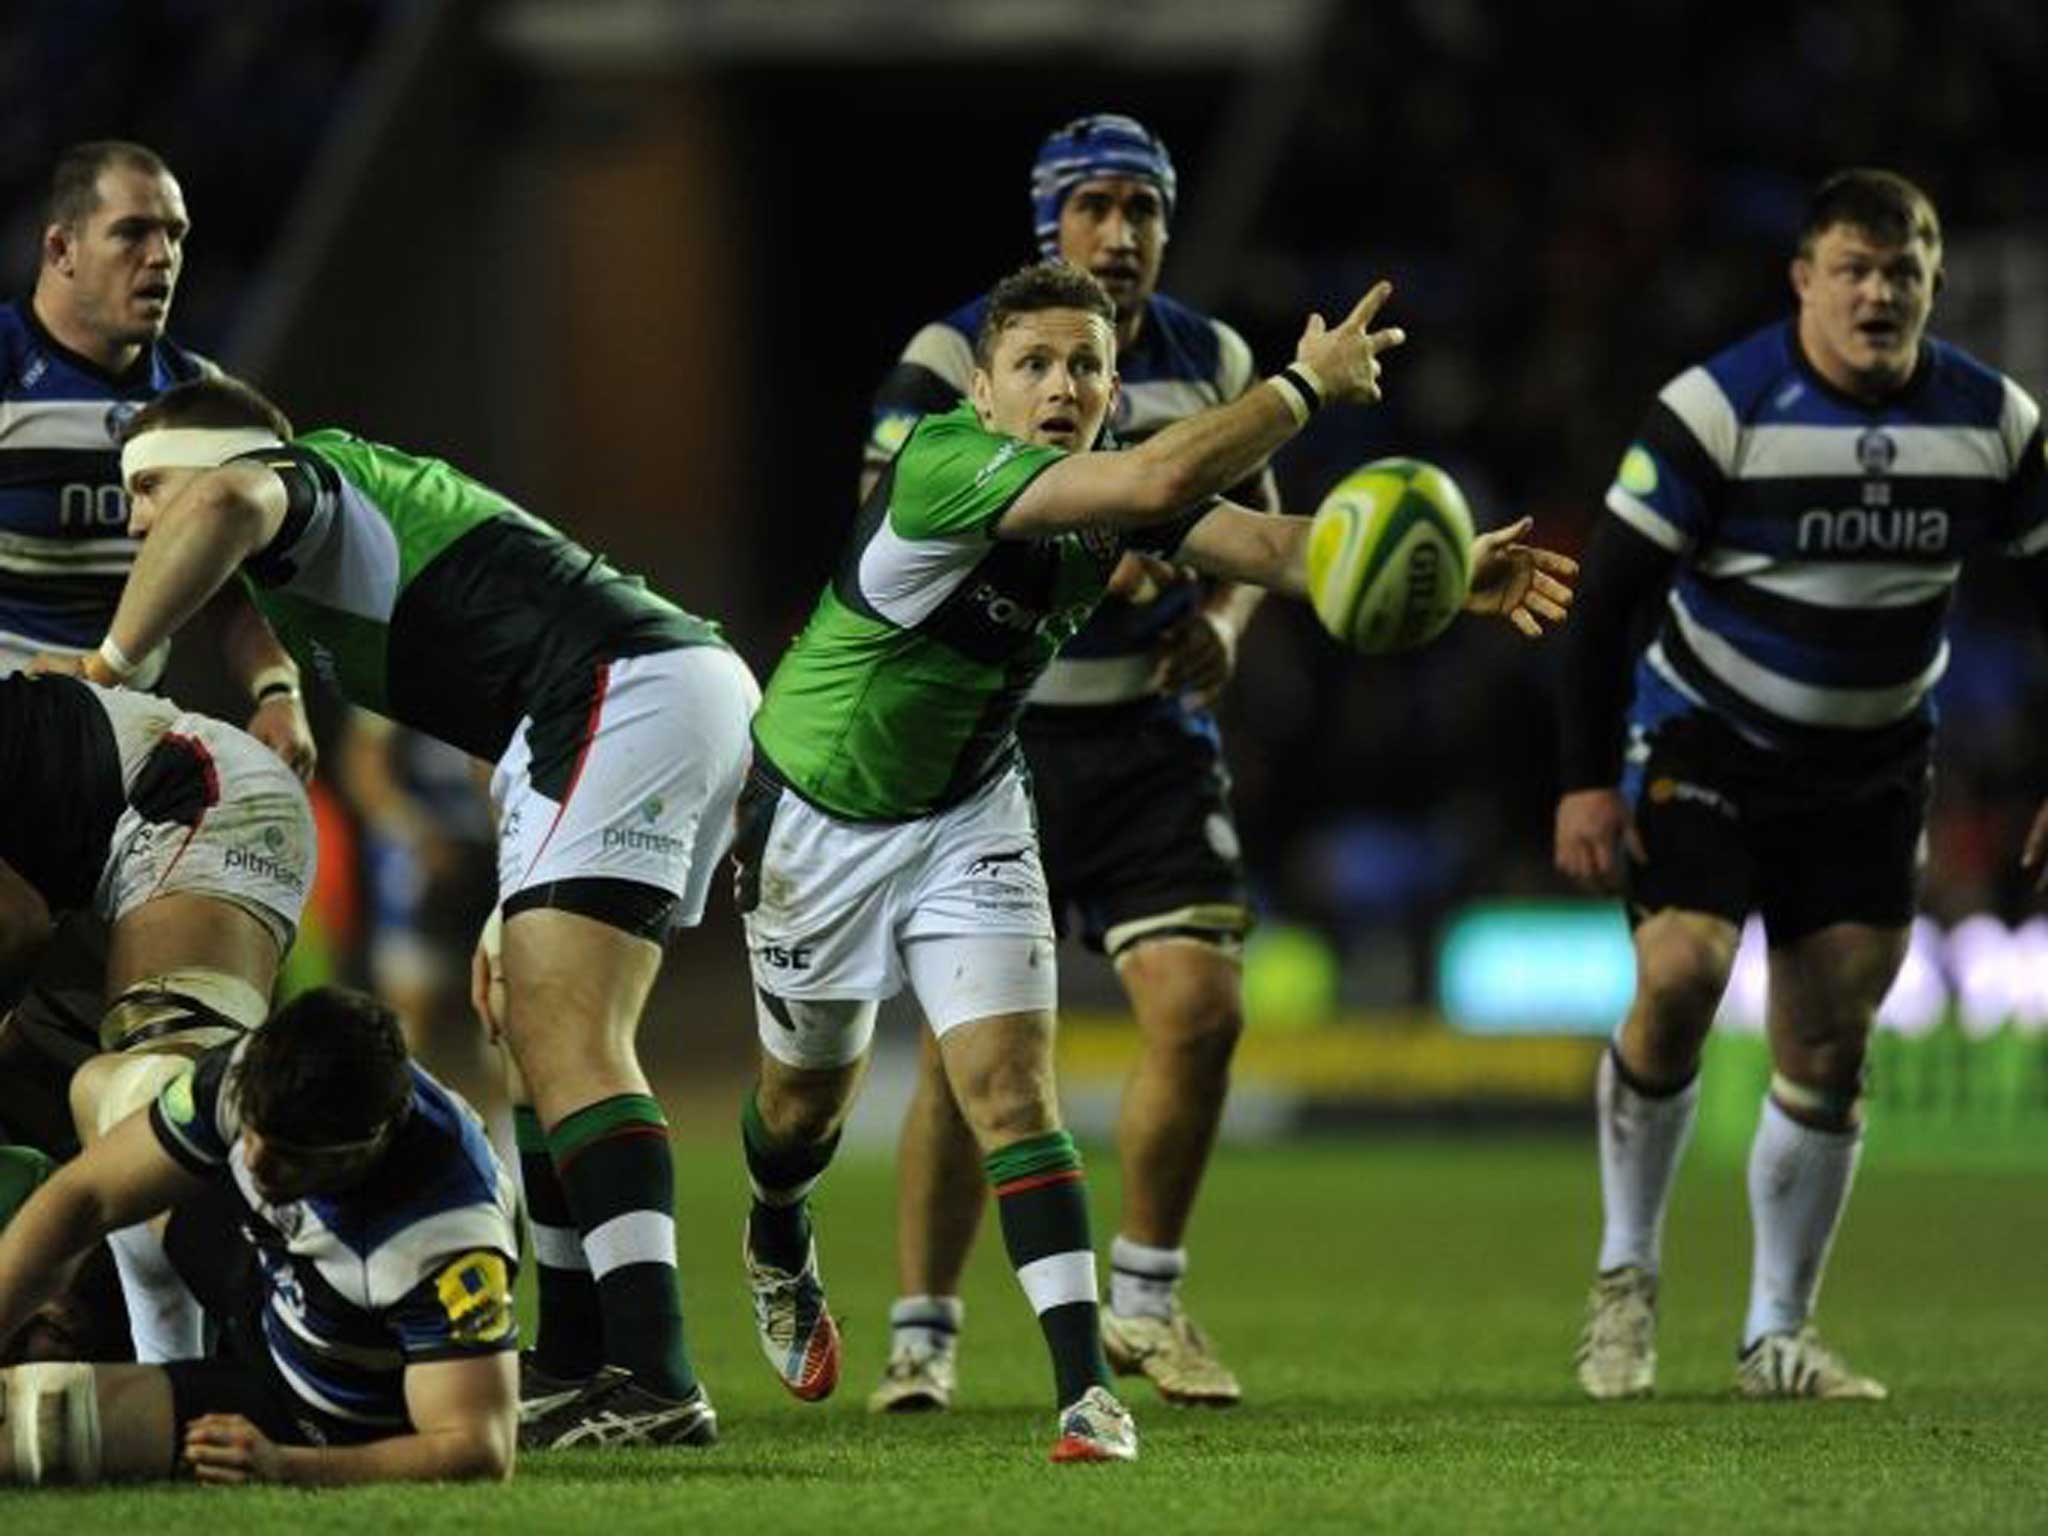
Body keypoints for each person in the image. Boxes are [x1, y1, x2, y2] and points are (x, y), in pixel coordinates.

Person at [735, 259, 1571, 1463]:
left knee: (1012, 1089)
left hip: (969, 810)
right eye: (1032, 364)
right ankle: (774, 1229)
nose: (1060, 384)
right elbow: (1169, 470)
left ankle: (1084, 1393)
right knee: (800, 1105)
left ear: (1113, 384)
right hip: (820, 814)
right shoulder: (944, 466)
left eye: (1084, 364)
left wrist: (1436, 576)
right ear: (982, 392)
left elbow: (1277, 546)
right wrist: (1302, 385)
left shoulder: (1120, 492)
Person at [32, 375, 759, 1448]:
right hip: (602, 707)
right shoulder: (317, 561)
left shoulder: (287, 478)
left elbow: (221, 506)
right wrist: (509, 897)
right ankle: (573, 1359)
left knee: (573, 1036)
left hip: (617, 692)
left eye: (146, 487)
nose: (140, 518)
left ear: (218, 456)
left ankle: (653, 1373)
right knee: (534, 1029)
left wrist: (108, 666)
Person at [1554, 169, 2046, 1401]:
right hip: (1705, 739)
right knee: (1678, 975)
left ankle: (1775, 1334)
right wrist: (1582, 784)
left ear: (1932, 283)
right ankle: (1623, 1279)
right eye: (1852, 270)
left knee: (1828, 1038)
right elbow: (1603, 600)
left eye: (1901, 272)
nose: (1877, 294)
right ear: (1803, 282)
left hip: (1871, 766)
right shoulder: (1716, 410)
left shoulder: (1993, 424)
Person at [859, 113, 1279, 1413]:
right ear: (1052, 222)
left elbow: (1252, 529)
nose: (1123, 233)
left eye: (1144, 210)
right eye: (1097, 206)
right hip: (996, 738)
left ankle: (1147, 1300)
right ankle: (923, 1330)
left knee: (1203, 1009)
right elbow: (895, 528)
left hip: (1151, 741)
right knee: (959, 1056)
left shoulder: (1211, 356)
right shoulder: (952, 355)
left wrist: (1219, 621)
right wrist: (1091, 546)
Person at [0, 139, 314, 1170]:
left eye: (175, 233)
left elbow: (242, 580)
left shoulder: (204, 398)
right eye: (134, 231)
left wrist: (276, 686)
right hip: (13, 756)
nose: (162, 257)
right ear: (61, 247)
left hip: (120, 786)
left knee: (129, 1057)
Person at [0, 987, 519, 1486]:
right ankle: (163, 1353)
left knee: (39, 1416)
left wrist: (286, 1465)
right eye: (251, 1133)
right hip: (266, 1289)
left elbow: (477, 1448)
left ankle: (185, 1384)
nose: (253, 1162)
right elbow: (87, 1196)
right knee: (109, 1086)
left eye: (289, 1156)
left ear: (363, 1146)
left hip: (317, 1416)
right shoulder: (258, 1075)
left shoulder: (448, 1238)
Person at [0, 670, 314, 1365]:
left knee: (159, 1104)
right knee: (89, 1103)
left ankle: (294, 1338)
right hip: (82, 884)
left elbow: (11, 922)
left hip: (194, 799)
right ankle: (149, 1357)